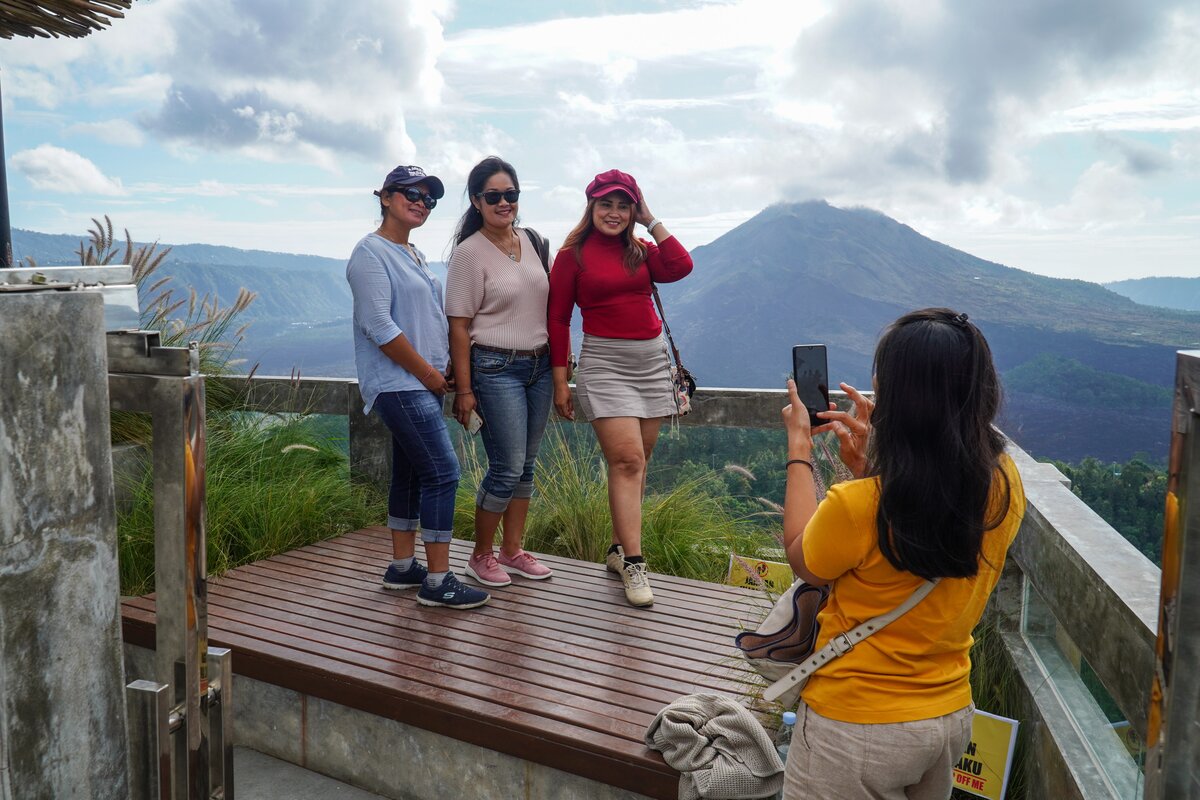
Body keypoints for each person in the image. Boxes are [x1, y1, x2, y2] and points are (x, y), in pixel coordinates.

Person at [778, 308, 1026, 799]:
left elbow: (803, 557)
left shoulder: (860, 505)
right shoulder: (1004, 484)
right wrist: (877, 468)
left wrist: (799, 447)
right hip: (948, 718)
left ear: (898, 396)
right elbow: (925, 528)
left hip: (852, 727)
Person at [345, 164, 489, 610]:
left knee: (410, 472)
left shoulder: (413, 254)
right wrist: (429, 374)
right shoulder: (370, 253)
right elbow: (378, 324)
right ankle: (439, 580)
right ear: (385, 197)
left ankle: (404, 568)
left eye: (429, 199)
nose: (421, 202)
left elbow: (427, 322)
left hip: (419, 383)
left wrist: (444, 370)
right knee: (443, 473)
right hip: (399, 384)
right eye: (410, 193)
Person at [547, 169, 693, 607]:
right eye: (605, 204)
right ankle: (634, 564)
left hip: (651, 362)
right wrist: (561, 381)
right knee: (627, 460)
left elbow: (682, 265)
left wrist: (651, 219)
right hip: (604, 364)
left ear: (633, 209)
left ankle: (616, 549)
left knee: (638, 461)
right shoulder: (572, 256)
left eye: (623, 205)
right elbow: (557, 319)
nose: (613, 213)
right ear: (590, 207)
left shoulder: (641, 250)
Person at [445, 156, 555, 588]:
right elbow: (458, 324)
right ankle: (480, 555)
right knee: (506, 466)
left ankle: (512, 551)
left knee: (526, 465)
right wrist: (465, 390)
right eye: (494, 196)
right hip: (494, 367)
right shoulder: (469, 254)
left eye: (511, 194)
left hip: (540, 365)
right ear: (477, 201)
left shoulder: (533, 241)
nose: (504, 202)